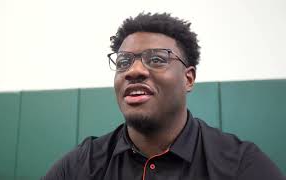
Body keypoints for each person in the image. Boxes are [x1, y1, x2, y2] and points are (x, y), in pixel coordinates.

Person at [42, 12, 284, 180]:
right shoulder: (80, 166)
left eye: (157, 59)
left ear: (188, 79)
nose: (134, 70)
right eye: (124, 61)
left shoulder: (241, 165)